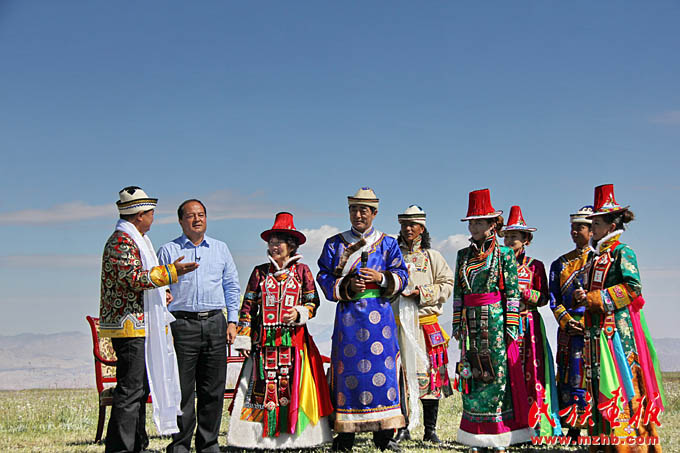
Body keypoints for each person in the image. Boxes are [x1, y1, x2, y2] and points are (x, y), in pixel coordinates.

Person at [99, 187, 198, 453]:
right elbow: (133, 278)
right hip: (129, 326)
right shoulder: (121, 242)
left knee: (139, 390)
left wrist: (160, 294)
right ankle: (121, 448)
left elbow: (138, 280)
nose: (154, 218)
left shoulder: (136, 240)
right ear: (139, 215)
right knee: (131, 390)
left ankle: (136, 445)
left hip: (141, 324)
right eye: (151, 213)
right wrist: (171, 272)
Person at [228, 212, 333, 449]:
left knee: (293, 387)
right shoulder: (259, 272)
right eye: (271, 242)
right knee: (259, 388)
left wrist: (299, 313)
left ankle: (297, 439)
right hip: (263, 343)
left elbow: (313, 302)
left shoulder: (303, 271)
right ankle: (256, 439)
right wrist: (244, 337)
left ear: (291, 245)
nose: (274, 247)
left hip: (294, 342)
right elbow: (248, 306)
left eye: (279, 242)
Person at [573, 184, 665, 451]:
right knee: (598, 383)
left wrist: (595, 298)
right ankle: (603, 442)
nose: (592, 228)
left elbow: (633, 287)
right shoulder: (595, 257)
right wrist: (583, 296)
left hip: (618, 333)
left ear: (611, 226)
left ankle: (631, 444)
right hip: (596, 332)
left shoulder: (623, 252)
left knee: (623, 384)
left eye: (596, 223)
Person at [317, 187, 409, 452]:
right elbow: (324, 276)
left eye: (363, 210)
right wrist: (347, 285)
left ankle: (384, 435)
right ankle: (346, 435)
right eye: (354, 210)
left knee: (384, 372)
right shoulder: (334, 244)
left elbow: (402, 275)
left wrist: (381, 278)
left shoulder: (388, 243)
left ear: (374, 213)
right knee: (347, 372)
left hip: (381, 319)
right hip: (348, 318)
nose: (358, 215)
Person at [452, 189, 533, 453]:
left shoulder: (505, 255)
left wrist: (512, 325)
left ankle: (498, 435)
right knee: (471, 373)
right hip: (470, 322)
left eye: (479, 222)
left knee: (496, 375)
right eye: (471, 222)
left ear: (492, 225)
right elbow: (458, 292)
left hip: (496, 321)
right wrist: (457, 322)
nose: (474, 227)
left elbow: (512, 292)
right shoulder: (462, 255)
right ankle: (475, 436)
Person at [157, 199, 241, 453]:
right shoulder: (168, 250)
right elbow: (159, 290)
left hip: (215, 322)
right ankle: (180, 445)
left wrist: (233, 320)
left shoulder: (220, 249)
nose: (197, 219)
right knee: (182, 390)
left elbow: (231, 286)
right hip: (182, 325)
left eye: (201, 214)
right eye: (191, 215)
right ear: (180, 221)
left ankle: (208, 444)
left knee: (212, 389)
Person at [392, 205, 454, 444]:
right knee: (400, 376)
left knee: (430, 376)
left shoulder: (432, 257)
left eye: (413, 225)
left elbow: (447, 284)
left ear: (422, 228)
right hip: (399, 324)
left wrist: (423, 292)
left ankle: (430, 430)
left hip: (426, 324)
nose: (408, 229)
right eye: (404, 224)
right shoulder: (392, 256)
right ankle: (402, 427)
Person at [500, 205, 561, 437]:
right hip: (502, 324)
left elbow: (544, 298)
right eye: (507, 236)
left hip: (528, 325)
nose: (509, 241)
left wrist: (524, 293)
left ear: (526, 239)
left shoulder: (536, 266)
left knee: (532, 372)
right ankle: (508, 424)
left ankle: (535, 424)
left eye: (514, 237)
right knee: (505, 372)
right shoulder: (497, 263)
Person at [548, 205, 594, 441]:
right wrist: (565, 321)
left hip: (593, 327)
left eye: (580, 227)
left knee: (592, 374)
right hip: (568, 328)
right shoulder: (560, 264)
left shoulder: (600, 261)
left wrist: (588, 320)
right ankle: (572, 427)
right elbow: (553, 299)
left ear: (592, 230)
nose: (575, 232)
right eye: (573, 228)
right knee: (567, 375)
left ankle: (595, 424)